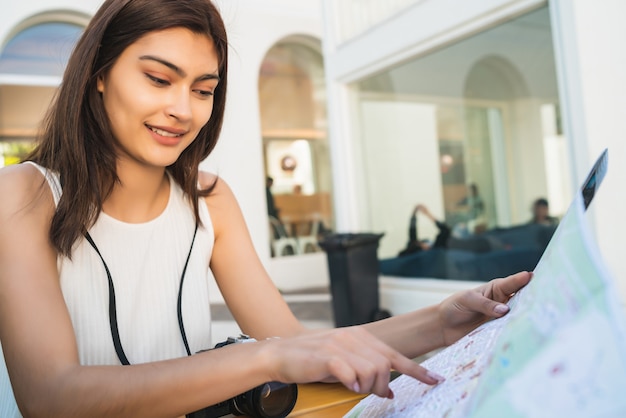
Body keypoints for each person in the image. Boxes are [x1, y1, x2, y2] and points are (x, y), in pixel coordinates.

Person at [0, 1, 532, 416]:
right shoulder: (23, 194)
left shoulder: (210, 200)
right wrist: (263, 357)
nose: (182, 109)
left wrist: (443, 322)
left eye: (203, 89)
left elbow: (299, 343)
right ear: (99, 72)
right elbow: (52, 396)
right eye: (158, 79)